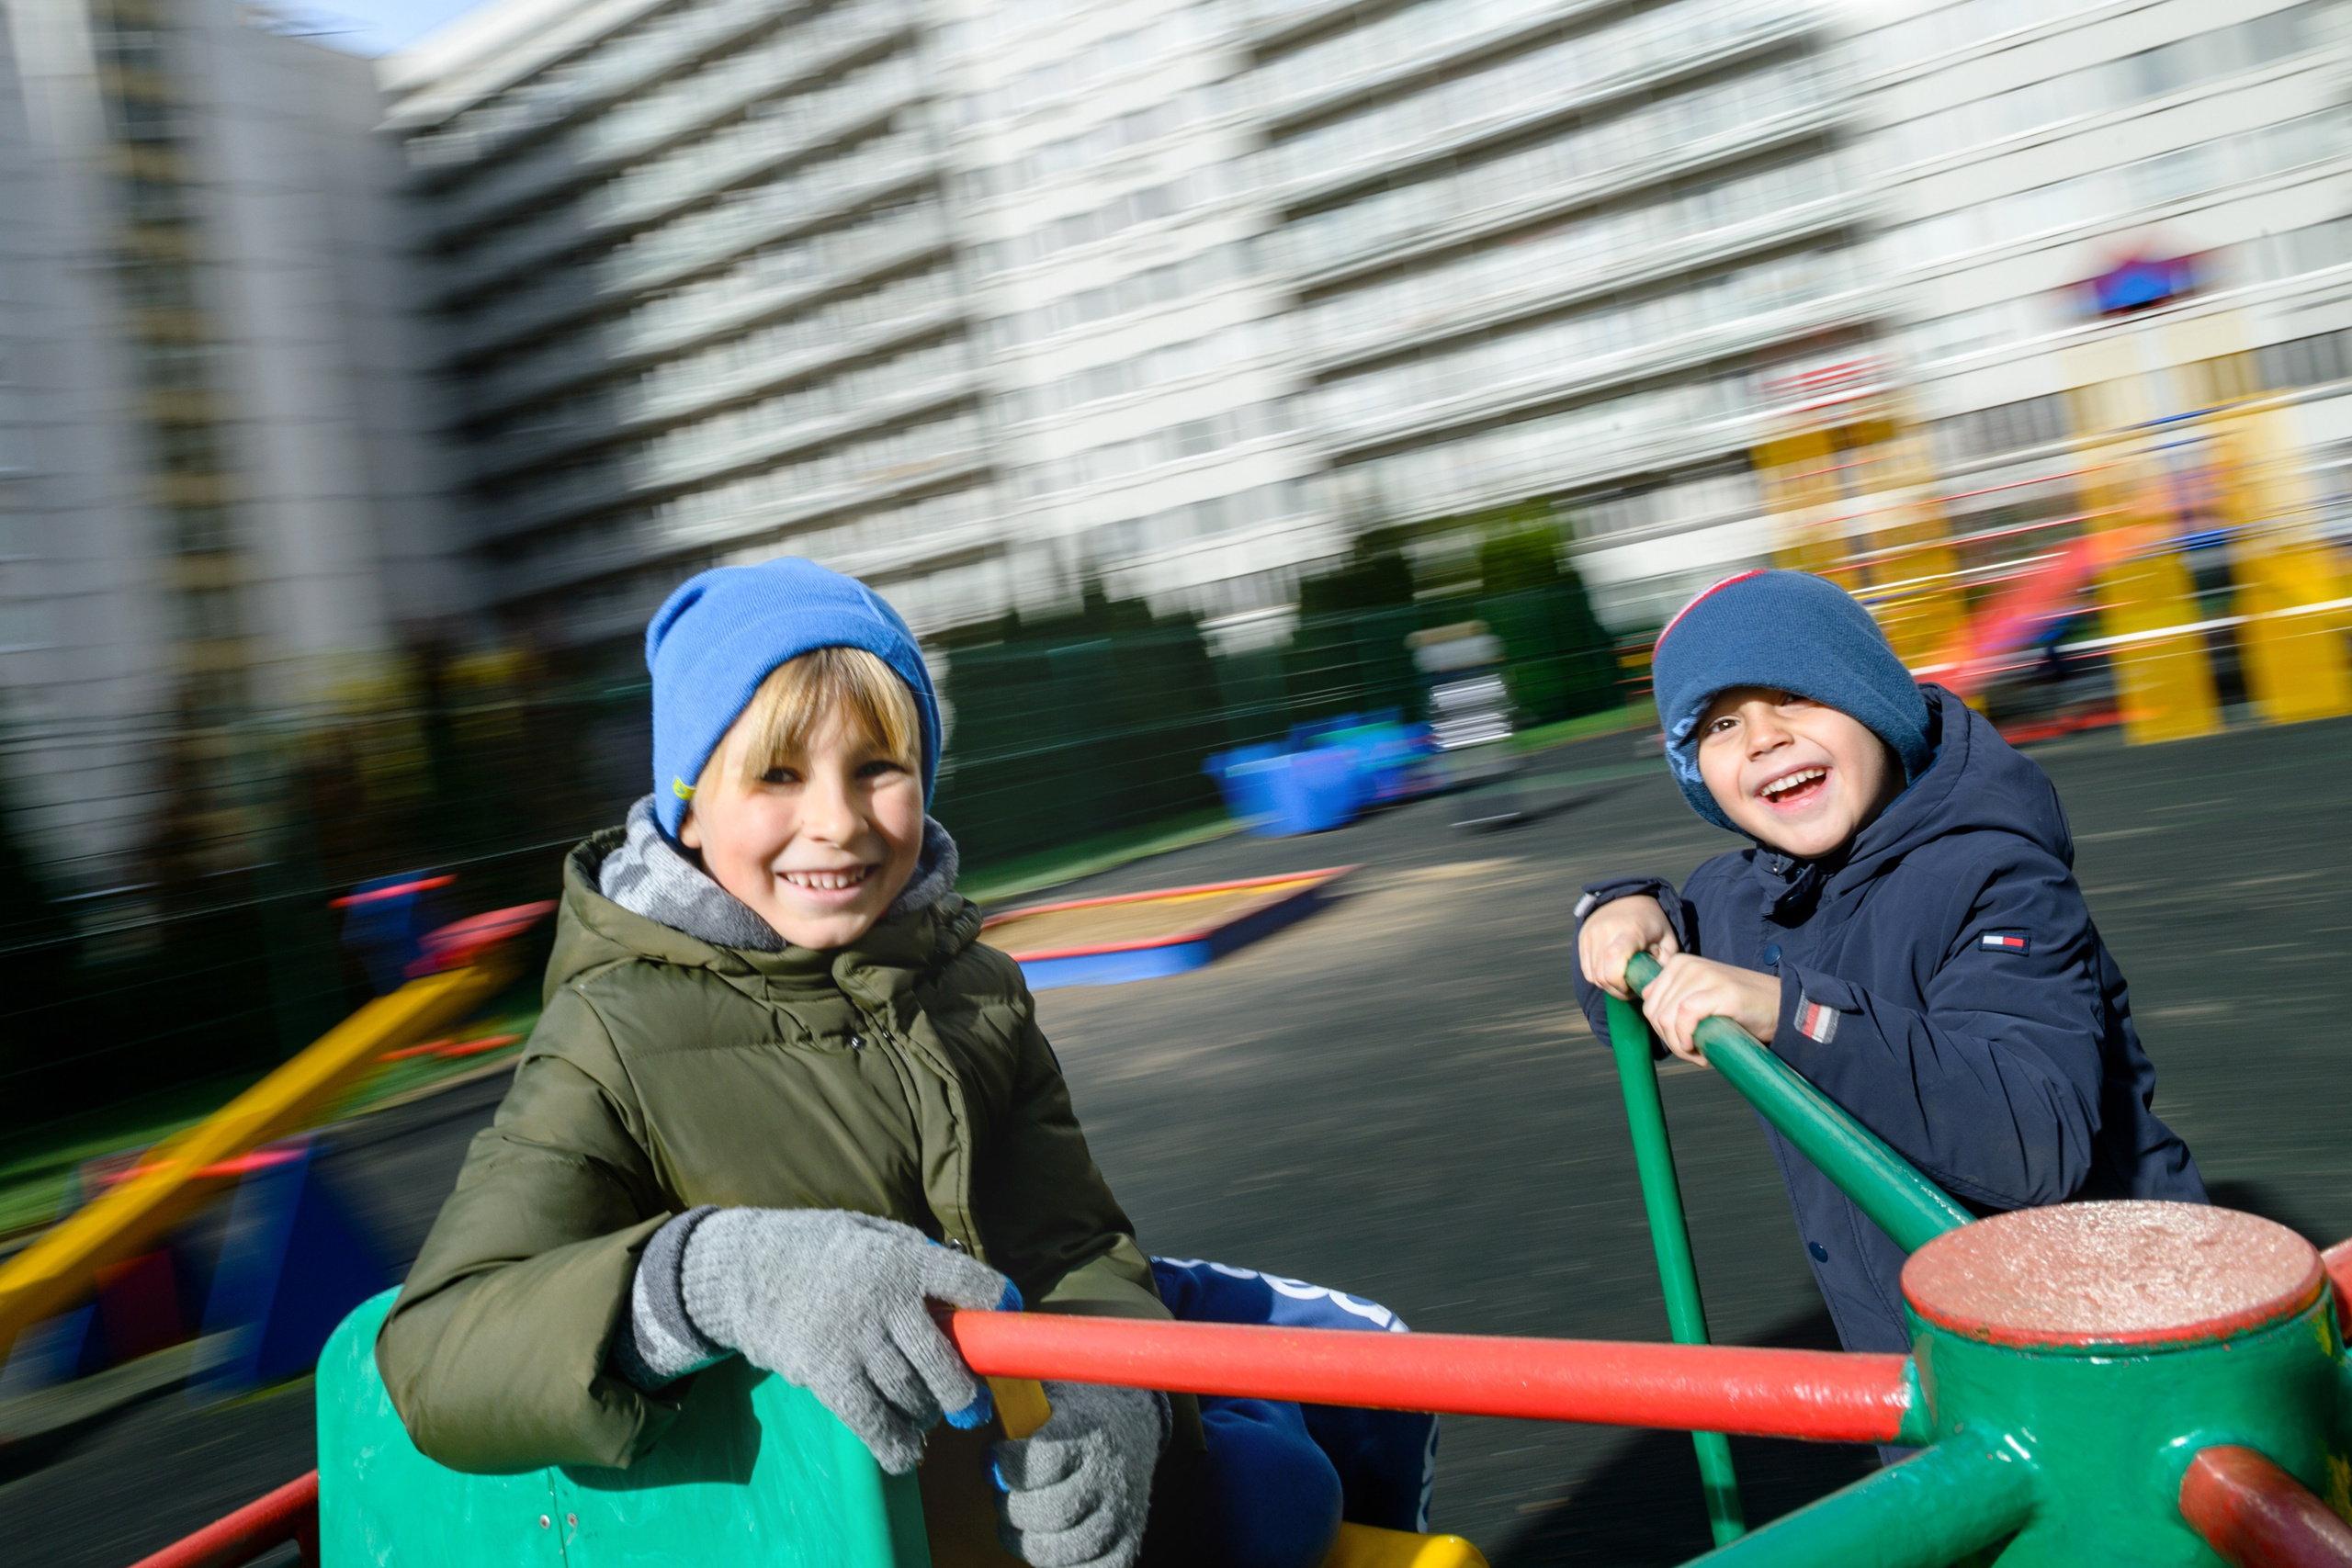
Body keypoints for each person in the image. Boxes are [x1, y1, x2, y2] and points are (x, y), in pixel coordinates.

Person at [376, 558, 1189, 1568]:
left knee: (1288, 1483)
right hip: (797, 1535)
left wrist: (1116, 1394)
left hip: (984, 1512)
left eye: (877, 768)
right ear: (689, 806)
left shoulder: (977, 988)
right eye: (777, 774)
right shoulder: (613, 1034)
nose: (838, 821)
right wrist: (718, 1277)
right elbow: (440, 1353)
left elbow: (1075, 1248)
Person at [1572, 569, 2204, 1357]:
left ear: (1873, 697)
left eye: (1794, 695)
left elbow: (2033, 1140)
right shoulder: (1749, 893)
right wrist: (1622, 908)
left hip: (2117, 1333)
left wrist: (1791, 1013)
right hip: (1924, 1354)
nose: (1764, 735)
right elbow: (1626, 1004)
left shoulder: (1995, 874)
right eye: (1721, 725)